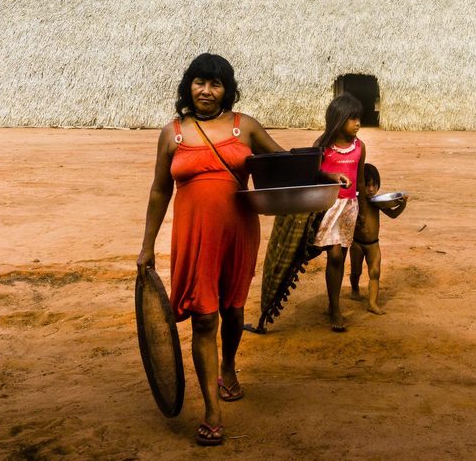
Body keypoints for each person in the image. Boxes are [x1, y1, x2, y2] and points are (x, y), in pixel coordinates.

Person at [136, 53, 285, 447]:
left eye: (215, 84)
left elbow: (285, 162)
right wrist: (146, 245)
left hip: (238, 233)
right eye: (200, 82)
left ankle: (229, 366)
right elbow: (159, 190)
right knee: (204, 319)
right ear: (189, 86)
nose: (206, 90)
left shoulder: (245, 127)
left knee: (233, 310)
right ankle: (212, 411)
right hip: (193, 236)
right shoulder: (173, 134)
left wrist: (327, 172)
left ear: (227, 89)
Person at [312, 93, 368, 332]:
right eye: (352, 118)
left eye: (359, 119)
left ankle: (333, 304)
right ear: (339, 119)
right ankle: (334, 307)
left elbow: (362, 181)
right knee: (334, 255)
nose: (357, 123)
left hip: (349, 207)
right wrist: (329, 176)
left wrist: (363, 212)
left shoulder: (359, 147)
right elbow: (311, 175)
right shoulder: (322, 147)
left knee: (341, 256)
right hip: (328, 207)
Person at [349, 163, 408, 315]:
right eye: (367, 185)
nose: (371, 189)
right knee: (355, 271)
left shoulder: (378, 203)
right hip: (357, 243)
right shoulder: (356, 202)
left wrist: (403, 204)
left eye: (374, 185)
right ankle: (354, 289)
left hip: (373, 244)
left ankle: (372, 303)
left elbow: (393, 214)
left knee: (375, 272)